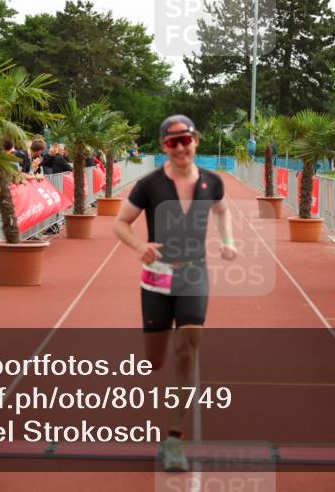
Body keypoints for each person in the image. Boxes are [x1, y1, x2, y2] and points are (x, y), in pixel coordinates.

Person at [113, 114, 237, 472]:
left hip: (194, 275)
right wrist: (140, 245)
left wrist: (227, 241)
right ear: (164, 146)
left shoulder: (212, 182)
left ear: (196, 140)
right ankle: (158, 350)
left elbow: (223, 211)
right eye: (172, 142)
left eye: (185, 139)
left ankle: (173, 439)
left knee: (186, 351)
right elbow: (120, 224)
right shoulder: (149, 185)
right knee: (156, 360)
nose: (181, 147)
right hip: (156, 279)